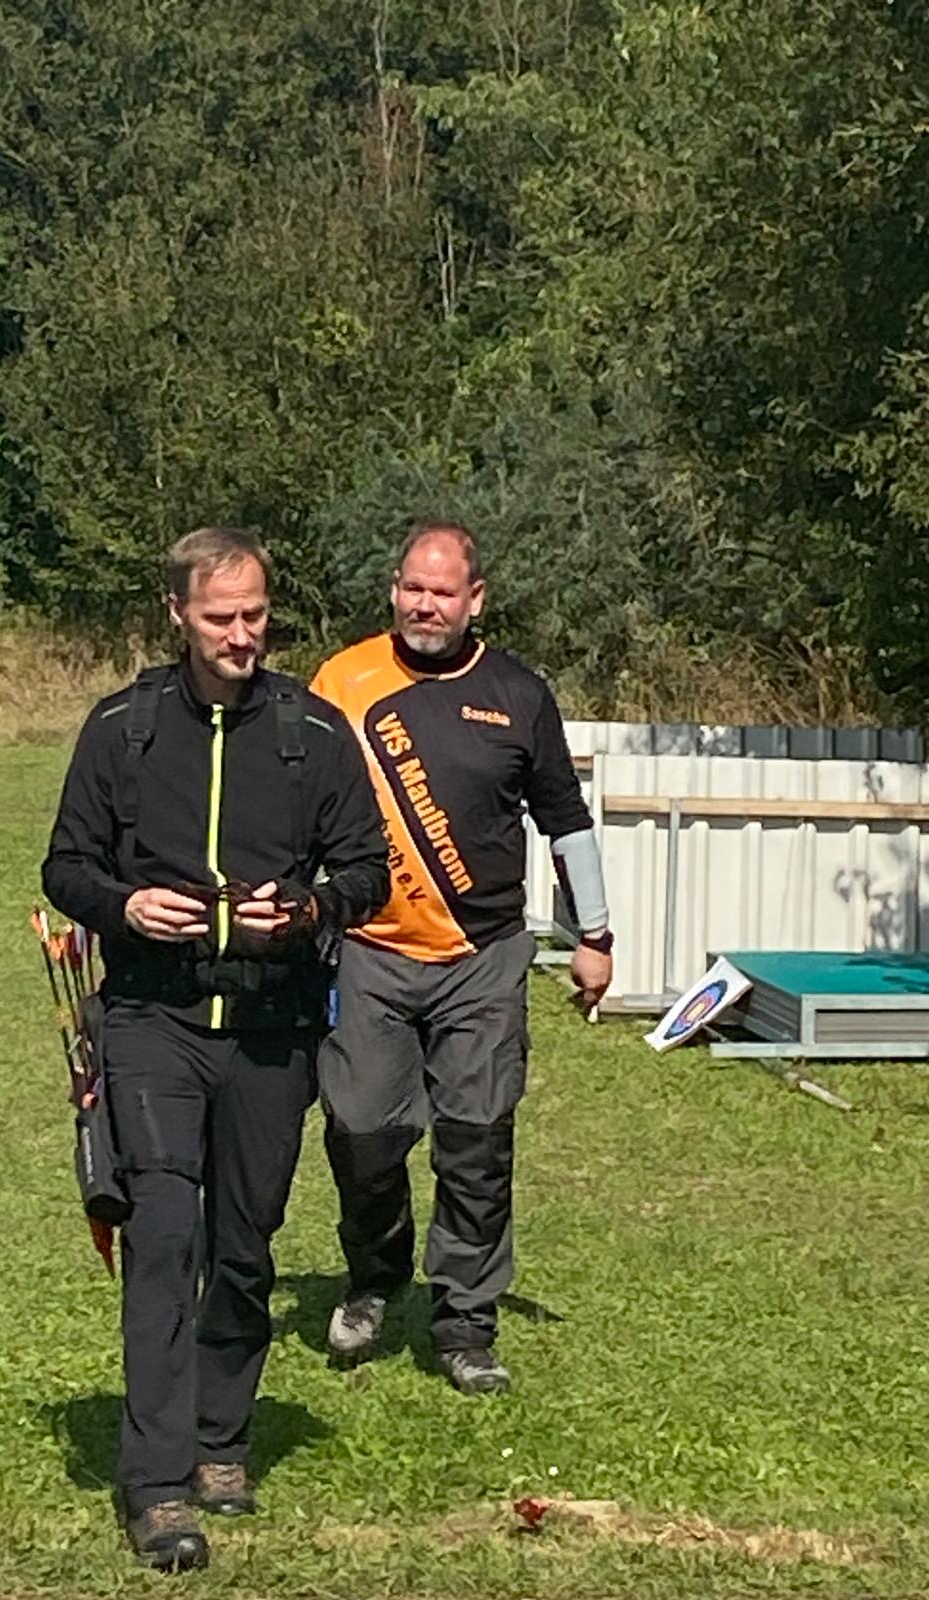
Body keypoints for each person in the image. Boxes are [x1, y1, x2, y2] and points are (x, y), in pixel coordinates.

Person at [42, 527, 389, 1572]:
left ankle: (220, 1438)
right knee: (161, 1237)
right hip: (153, 1019)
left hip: (274, 1029)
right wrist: (125, 905)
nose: (242, 635)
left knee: (244, 1244)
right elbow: (66, 866)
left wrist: (312, 908)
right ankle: (155, 1485)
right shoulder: (124, 728)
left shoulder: (313, 732)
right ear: (178, 617)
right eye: (220, 617)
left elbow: (367, 872)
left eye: (255, 615)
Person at [311, 520, 613, 1396]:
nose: (425, 605)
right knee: (361, 1136)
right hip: (368, 950)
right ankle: (374, 1277)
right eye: (413, 587)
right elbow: (294, 805)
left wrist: (595, 937)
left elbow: (565, 820)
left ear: (475, 599)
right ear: (394, 589)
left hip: (482, 957)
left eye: (442, 592)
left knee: (477, 1146)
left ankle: (466, 1324)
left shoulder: (519, 694)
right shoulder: (341, 682)